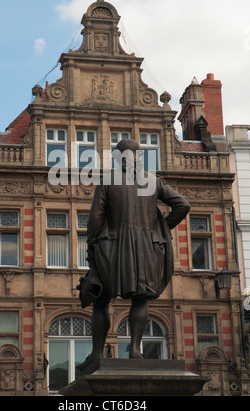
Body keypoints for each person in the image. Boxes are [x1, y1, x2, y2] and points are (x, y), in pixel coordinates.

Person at [76, 139, 190, 370]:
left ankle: (97, 353)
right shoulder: (153, 180)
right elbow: (183, 205)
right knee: (141, 298)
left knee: (101, 299)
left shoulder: (107, 181)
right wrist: (161, 228)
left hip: (112, 249)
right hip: (147, 250)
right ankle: (136, 349)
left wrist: (91, 247)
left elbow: (95, 219)